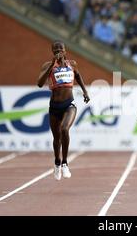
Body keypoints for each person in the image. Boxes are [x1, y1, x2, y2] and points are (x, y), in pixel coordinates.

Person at [37, 41, 90, 181]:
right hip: (54, 106)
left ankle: (65, 163)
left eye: (60, 49)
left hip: (69, 104)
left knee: (64, 129)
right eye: (55, 50)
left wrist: (85, 91)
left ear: (65, 51)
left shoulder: (72, 64)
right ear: (52, 52)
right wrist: (51, 65)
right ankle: (57, 163)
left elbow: (78, 76)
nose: (58, 51)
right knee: (56, 138)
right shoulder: (48, 65)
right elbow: (39, 83)